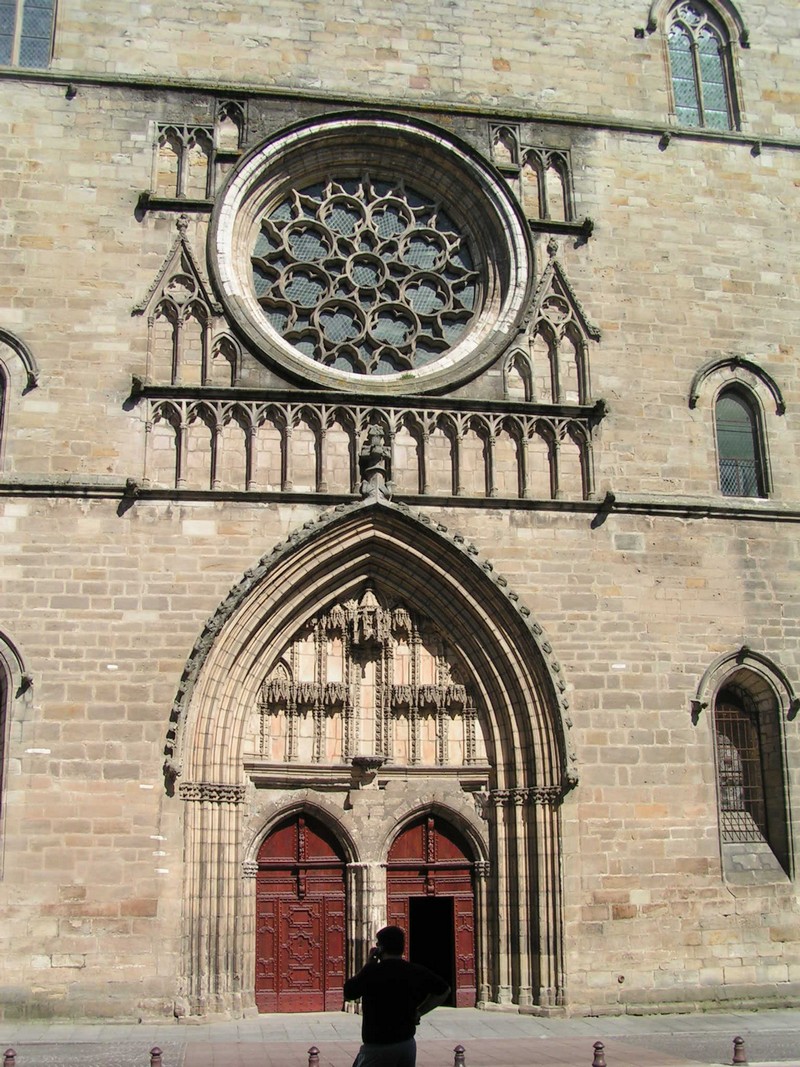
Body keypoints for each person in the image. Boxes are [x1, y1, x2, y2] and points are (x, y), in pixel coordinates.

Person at [343, 925, 450, 1067]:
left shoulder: (372, 972)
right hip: (406, 1044)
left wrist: (368, 965)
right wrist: (420, 1011)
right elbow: (444, 990)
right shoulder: (414, 971)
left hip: (377, 1046)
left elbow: (349, 992)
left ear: (381, 948)